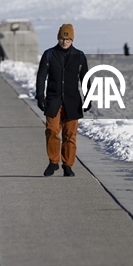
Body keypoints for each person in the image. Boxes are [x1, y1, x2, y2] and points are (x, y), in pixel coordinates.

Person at [35, 24, 88, 177]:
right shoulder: (49, 54)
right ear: (58, 38)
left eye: (68, 38)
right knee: (51, 130)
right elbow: (41, 76)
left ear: (72, 39)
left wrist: (88, 97)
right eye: (62, 38)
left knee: (70, 135)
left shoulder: (79, 56)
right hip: (53, 100)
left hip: (72, 101)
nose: (65, 41)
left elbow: (85, 78)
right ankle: (53, 162)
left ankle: (68, 165)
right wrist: (40, 96)